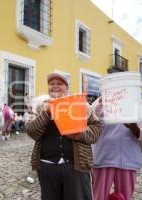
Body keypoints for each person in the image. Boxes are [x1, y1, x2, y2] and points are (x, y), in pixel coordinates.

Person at [25, 72, 103, 200]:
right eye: (51, 84)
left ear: (67, 87)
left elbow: (96, 127)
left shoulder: (81, 104)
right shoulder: (39, 107)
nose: (55, 86)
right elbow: (31, 132)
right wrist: (46, 113)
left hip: (76, 166)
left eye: (59, 84)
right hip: (47, 166)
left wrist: (81, 135)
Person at [91, 97, 142, 200]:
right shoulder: (101, 101)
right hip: (103, 158)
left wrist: (134, 127)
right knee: (99, 196)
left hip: (128, 161)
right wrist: (100, 104)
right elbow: (88, 122)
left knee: (125, 197)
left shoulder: (134, 105)